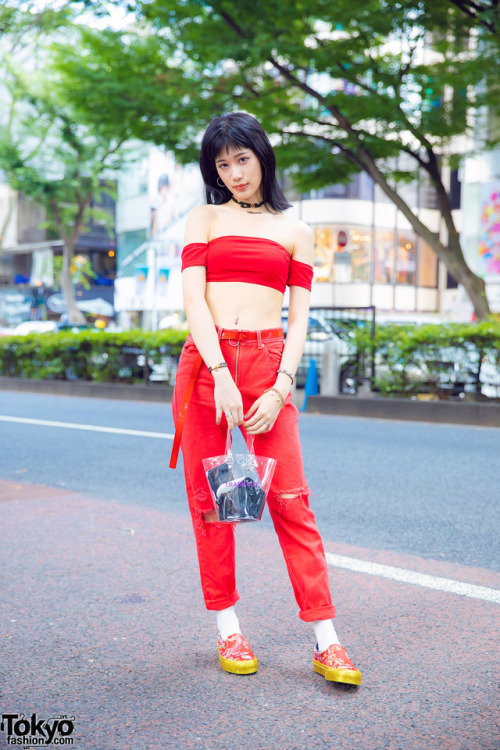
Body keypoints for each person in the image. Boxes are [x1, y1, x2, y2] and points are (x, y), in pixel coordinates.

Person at [170, 111, 361, 686]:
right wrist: (221, 374)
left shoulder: (295, 230)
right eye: (221, 164)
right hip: (209, 365)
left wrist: (281, 385)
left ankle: (326, 640)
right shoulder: (202, 218)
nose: (233, 173)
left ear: (262, 155)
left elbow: (300, 319)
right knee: (213, 499)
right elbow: (195, 303)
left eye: (242, 159)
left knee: (290, 499)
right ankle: (228, 625)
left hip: (268, 361)